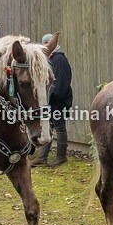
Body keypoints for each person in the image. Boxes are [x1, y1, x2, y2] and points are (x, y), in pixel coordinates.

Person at [31, 33, 72, 167]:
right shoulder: (51, 59)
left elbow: (61, 84)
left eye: (45, 44)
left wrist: (52, 99)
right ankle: (42, 157)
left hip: (58, 101)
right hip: (51, 101)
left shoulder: (59, 60)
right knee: (48, 127)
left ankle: (61, 156)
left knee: (59, 127)